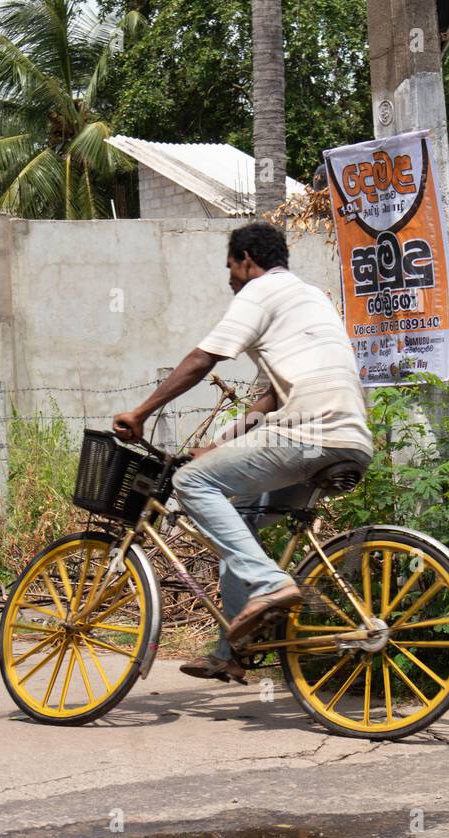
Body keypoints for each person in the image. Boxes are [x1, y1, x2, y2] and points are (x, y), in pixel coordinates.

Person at [113, 222, 374, 684]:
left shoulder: (258, 293)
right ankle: (229, 651)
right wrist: (221, 443)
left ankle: (271, 584)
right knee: (243, 520)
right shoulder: (310, 299)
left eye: (231, 269)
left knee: (191, 482)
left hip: (308, 432)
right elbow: (272, 398)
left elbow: (203, 359)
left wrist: (141, 411)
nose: (230, 281)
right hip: (349, 439)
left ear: (247, 260)